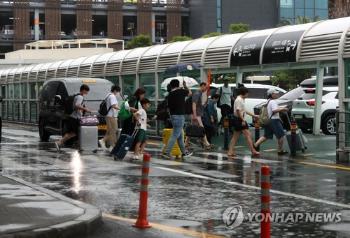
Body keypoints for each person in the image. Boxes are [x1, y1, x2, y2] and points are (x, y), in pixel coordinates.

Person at [55, 84, 91, 151]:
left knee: (73, 133)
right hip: (75, 118)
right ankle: (78, 145)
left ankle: (60, 142)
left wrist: (83, 108)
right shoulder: (80, 97)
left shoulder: (77, 95)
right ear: (83, 90)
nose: (87, 93)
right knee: (78, 132)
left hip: (72, 117)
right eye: (86, 91)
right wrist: (85, 109)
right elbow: (77, 105)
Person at [162, 79, 193, 159]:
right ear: (178, 84)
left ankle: (184, 153)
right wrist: (186, 86)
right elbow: (190, 93)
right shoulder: (181, 91)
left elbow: (169, 107)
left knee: (180, 136)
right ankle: (167, 152)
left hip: (173, 116)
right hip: (179, 116)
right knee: (175, 135)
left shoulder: (169, 94)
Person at [227, 86, 260, 158]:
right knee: (248, 135)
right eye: (247, 94)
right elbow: (238, 111)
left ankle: (230, 151)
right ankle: (253, 150)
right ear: (244, 93)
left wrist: (254, 115)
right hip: (239, 119)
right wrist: (242, 120)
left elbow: (244, 110)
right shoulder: (239, 100)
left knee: (235, 136)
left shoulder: (241, 99)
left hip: (239, 119)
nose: (248, 95)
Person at [254, 88, 289, 155]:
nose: (277, 94)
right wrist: (283, 109)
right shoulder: (273, 102)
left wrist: (280, 109)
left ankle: (255, 145)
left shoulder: (268, 101)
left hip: (269, 120)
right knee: (281, 135)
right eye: (275, 93)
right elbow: (274, 110)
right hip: (274, 120)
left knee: (266, 135)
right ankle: (280, 150)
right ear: (272, 94)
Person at [99, 85, 120, 151]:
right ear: (115, 90)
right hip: (111, 116)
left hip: (109, 116)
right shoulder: (112, 96)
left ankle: (104, 141)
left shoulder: (108, 95)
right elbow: (113, 106)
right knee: (113, 130)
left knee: (110, 131)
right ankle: (111, 145)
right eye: (118, 91)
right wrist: (121, 109)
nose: (118, 93)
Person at [191, 82, 212, 149]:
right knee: (201, 128)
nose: (206, 89)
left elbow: (198, 105)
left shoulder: (199, 93)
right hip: (196, 115)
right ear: (202, 86)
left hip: (197, 114)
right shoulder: (197, 93)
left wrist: (204, 104)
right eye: (206, 87)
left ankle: (186, 143)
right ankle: (206, 143)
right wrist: (194, 115)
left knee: (193, 129)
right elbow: (194, 104)